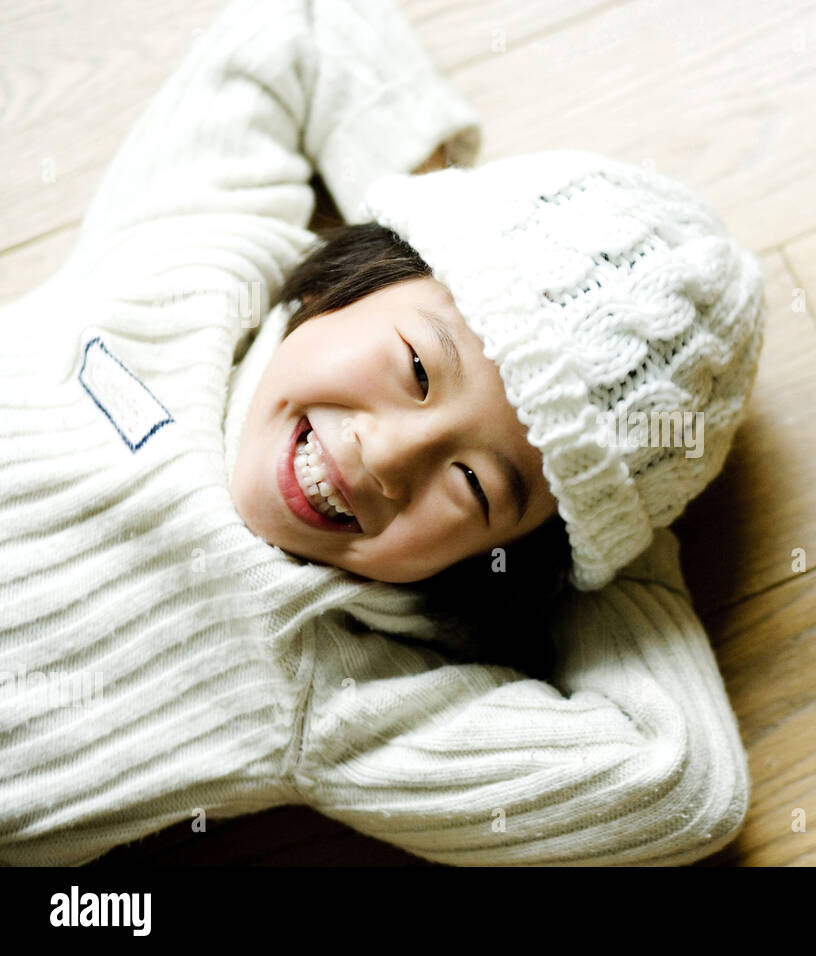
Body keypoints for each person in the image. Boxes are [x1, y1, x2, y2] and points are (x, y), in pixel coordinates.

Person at [0, 0, 765, 866]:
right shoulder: (197, 250)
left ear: (490, 562)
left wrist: (608, 528)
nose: (386, 458)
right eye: (416, 368)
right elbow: (307, 20)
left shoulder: (335, 693)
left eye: (475, 486)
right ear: (360, 276)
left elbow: (680, 786)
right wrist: (435, 195)